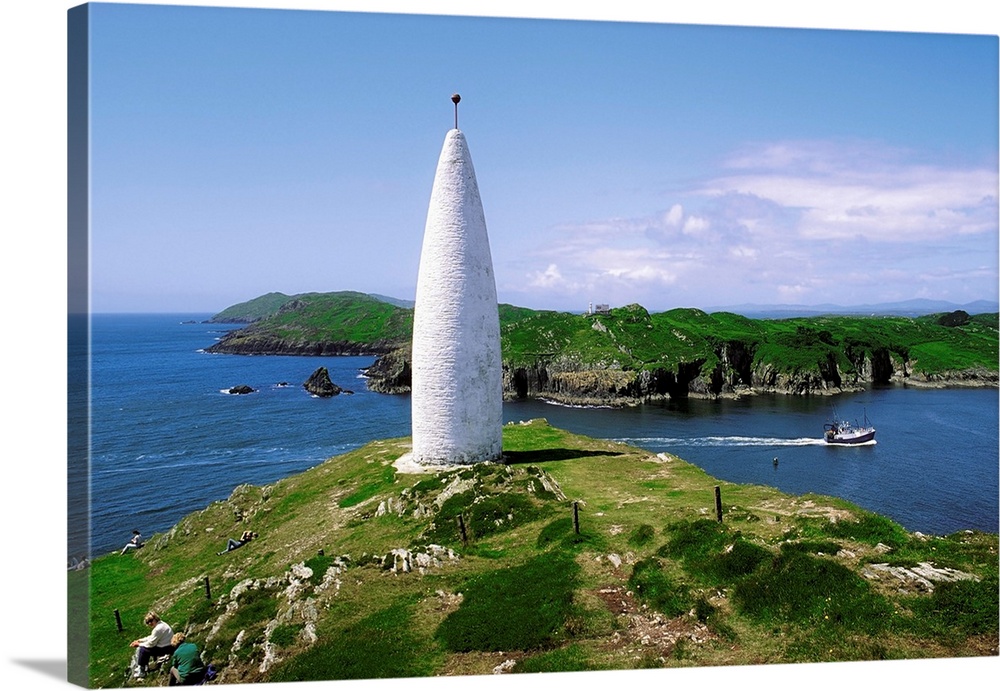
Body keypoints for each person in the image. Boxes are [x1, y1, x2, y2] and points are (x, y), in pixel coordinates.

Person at [128, 611, 174, 680]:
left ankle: (142, 670)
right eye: (147, 622)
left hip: (166, 648)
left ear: (155, 618)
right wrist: (140, 640)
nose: (150, 623)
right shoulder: (161, 624)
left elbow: (151, 644)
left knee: (143, 649)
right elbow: (152, 637)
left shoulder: (158, 629)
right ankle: (143, 667)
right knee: (144, 647)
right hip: (168, 645)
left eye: (151, 620)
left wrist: (139, 644)